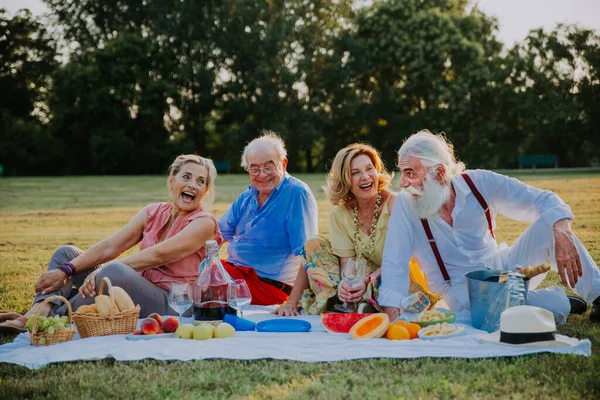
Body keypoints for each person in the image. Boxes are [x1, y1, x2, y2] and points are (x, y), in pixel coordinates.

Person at [379, 130, 600, 324]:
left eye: (410, 173)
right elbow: (395, 262)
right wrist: (392, 315)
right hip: (461, 291)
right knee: (555, 307)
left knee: (549, 225)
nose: (403, 183)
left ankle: (598, 296)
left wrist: (562, 230)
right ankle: (552, 302)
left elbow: (542, 200)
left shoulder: (479, 183)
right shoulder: (406, 204)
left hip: (503, 270)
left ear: (440, 172)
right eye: (402, 172)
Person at [0, 155, 223, 333]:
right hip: (139, 289)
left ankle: (42, 318)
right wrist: (68, 270)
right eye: (187, 177)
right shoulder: (153, 211)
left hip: (173, 302)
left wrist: (105, 272)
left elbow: (158, 255)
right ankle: (38, 311)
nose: (193, 185)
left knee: (114, 272)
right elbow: (110, 247)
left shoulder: (204, 223)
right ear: (172, 180)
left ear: (204, 193)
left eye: (200, 181)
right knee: (67, 254)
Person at [275, 143, 436, 316]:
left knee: (381, 279)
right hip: (361, 280)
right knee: (314, 245)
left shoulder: (397, 205)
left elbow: (402, 261)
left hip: (395, 279)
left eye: (369, 169)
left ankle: (356, 303)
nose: (365, 177)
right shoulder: (340, 214)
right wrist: (346, 282)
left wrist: (367, 280)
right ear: (345, 180)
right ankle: (351, 300)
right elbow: (347, 264)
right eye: (355, 173)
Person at [218, 131, 319, 305]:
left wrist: (292, 302)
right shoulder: (248, 195)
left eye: (269, 166)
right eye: (254, 168)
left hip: (266, 286)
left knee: (192, 276)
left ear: (284, 164)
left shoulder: (297, 194)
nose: (262, 174)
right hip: (236, 275)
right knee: (193, 266)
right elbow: (215, 233)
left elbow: (309, 255)